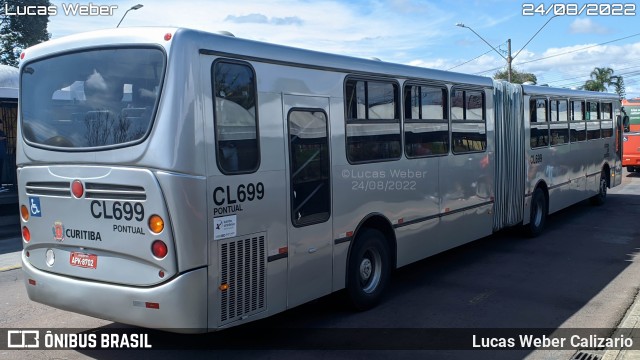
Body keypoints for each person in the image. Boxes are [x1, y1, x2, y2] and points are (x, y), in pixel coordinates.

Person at [0, 120, 6, 191]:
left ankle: (0, 185)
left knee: (1, 171)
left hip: (2, 154)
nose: (1, 126)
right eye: (0, 125)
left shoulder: (2, 132)